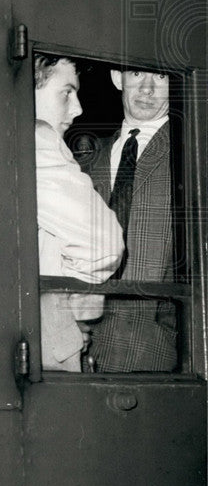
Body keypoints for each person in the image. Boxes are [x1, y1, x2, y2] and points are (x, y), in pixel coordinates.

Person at [33, 55, 124, 372]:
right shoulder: (39, 138)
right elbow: (104, 246)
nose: (78, 108)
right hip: (45, 346)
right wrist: (69, 309)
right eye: (66, 92)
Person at [84, 67, 178, 372]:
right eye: (137, 73)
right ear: (116, 77)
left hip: (158, 355)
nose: (148, 88)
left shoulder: (190, 153)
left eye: (161, 77)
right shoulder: (85, 158)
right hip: (80, 350)